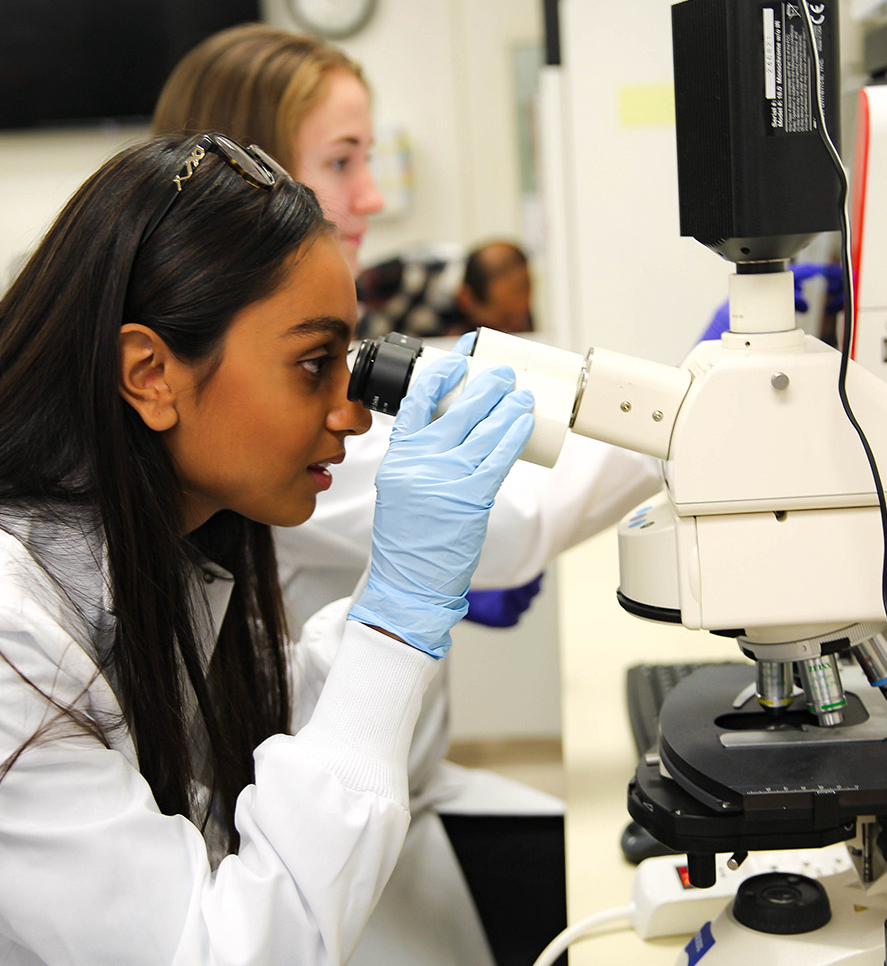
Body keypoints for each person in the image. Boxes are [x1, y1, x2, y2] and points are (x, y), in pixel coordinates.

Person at [152, 24, 663, 966]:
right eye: (341, 161)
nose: (373, 196)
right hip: (317, 844)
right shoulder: (251, 418)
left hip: (379, 794)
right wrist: (682, 417)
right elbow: (511, 530)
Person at [0, 134, 534, 965]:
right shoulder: (12, 635)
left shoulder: (160, 547)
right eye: (313, 364)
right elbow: (220, 953)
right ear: (149, 372)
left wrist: (408, 593)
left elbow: (276, 707)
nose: (353, 415)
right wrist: (398, 615)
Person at [355, 238, 534, 340]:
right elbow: (347, 296)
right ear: (466, 298)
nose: (516, 326)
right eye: (505, 319)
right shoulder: (411, 273)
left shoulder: (514, 309)